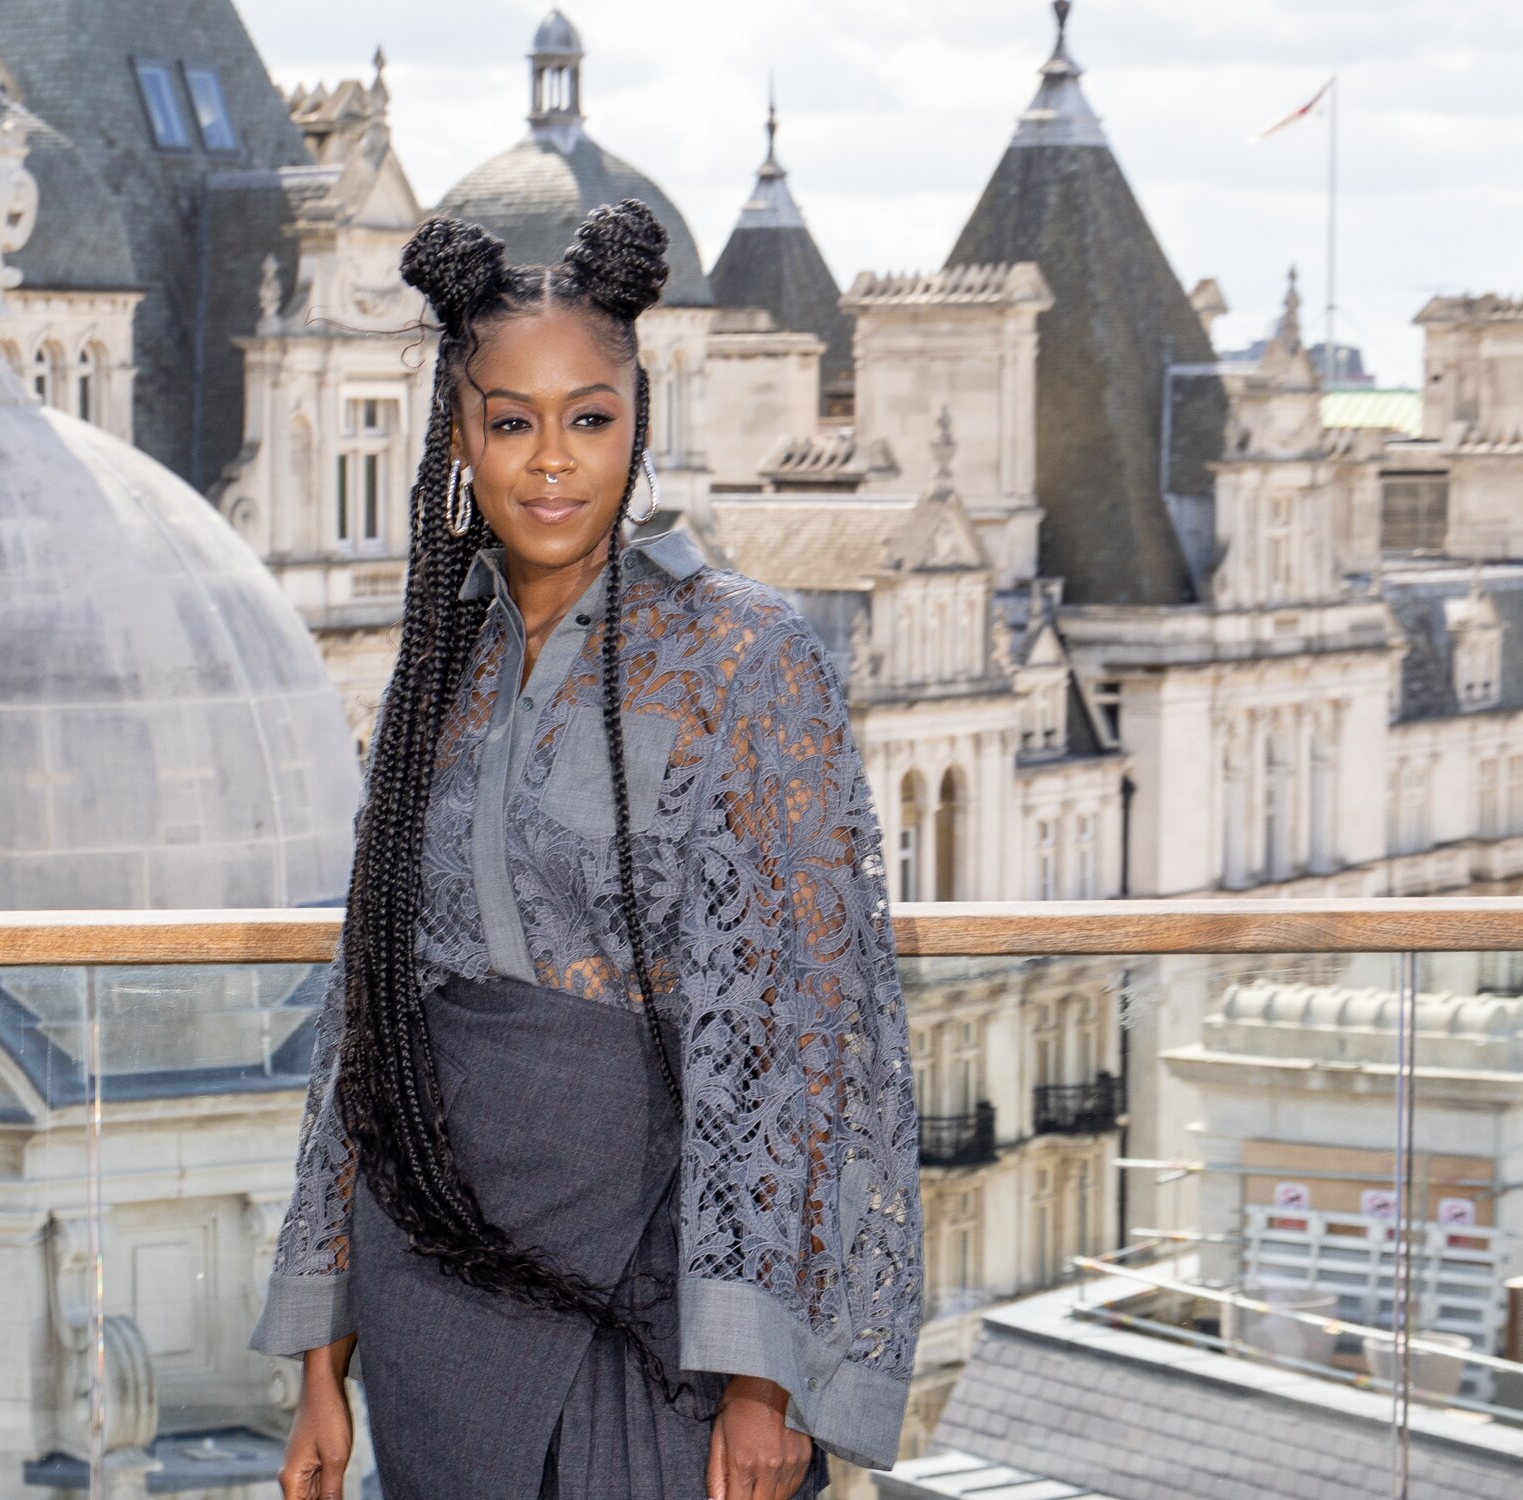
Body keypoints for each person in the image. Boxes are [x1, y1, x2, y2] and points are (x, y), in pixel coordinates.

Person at [252, 200, 920, 1500]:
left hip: (662, 1299)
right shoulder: (431, 669)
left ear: (640, 422)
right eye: (513, 421)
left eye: (589, 417)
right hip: (428, 1290)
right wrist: (320, 1362)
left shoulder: (751, 656)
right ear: (461, 433)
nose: (551, 461)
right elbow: (365, 1020)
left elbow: (801, 1039)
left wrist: (763, 1381)